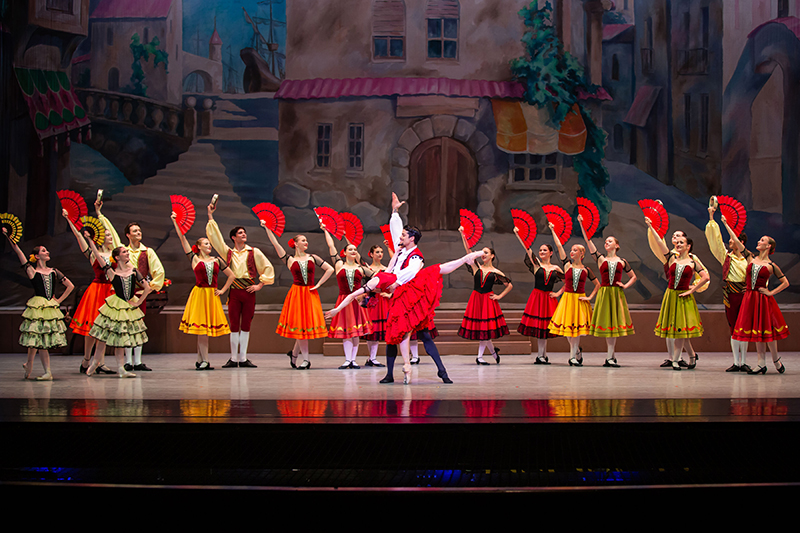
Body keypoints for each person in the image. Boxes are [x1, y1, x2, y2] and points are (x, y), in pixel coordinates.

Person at [326, 193, 482, 384]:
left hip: (412, 293)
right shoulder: (399, 253)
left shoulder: (415, 256)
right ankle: (392, 373)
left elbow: (412, 271)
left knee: (422, 328)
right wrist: (394, 211)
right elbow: (396, 234)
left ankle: (440, 371)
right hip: (399, 294)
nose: (399, 237)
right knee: (395, 335)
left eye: (403, 236)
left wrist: (396, 282)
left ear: (412, 239)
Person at [97, 199, 164, 371]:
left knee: (138, 325)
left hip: (138, 294)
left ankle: (138, 361)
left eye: (139, 230)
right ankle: (127, 361)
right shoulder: (123, 250)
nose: (138, 232)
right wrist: (100, 215)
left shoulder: (147, 252)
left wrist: (149, 288)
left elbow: (159, 271)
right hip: (123, 295)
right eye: (135, 231)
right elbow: (112, 233)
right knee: (124, 325)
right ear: (128, 235)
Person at [206, 204, 275, 368]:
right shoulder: (228, 252)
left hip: (248, 291)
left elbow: (267, 267)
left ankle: (243, 358)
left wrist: (260, 285)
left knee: (246, 325)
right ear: (233, 237)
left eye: (244, 232)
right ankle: (233, 358)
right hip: (234, 292)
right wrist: (210, 215)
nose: (244, 235)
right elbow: (216, 239)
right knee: (234, 324)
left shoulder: (254, 252)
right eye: (240, 233)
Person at [262, 221, 334, 369]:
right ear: (295, 244)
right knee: (301, 326)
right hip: (297, 294)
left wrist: (319, 284)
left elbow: (330, 269)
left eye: (306, 240)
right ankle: (306, 360)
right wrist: (267, 228)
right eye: (303, 240)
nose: (306, 242)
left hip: (310, 293)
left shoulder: (312, 257)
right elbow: (276, 244)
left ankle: (294, 354)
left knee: (304, 327)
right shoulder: (290, 259)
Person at [4, 228, 73, 380]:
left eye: (46, 250)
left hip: (49, 307)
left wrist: (58, 301)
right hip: (37, 307)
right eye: (43, 250)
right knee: (36, 338)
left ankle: (38, 368)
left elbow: (70, 286)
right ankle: (38, 368)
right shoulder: (32, 271)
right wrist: (8, 236)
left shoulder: (54, 271)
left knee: (41, 340)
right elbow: (18, 252)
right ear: (36, 256)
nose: (47, 252)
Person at [171, 212, 235, 370]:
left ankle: (201, 360)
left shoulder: (216, 260)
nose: (209, 246)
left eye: (209, 244)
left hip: (211, 295)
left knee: (205, 330)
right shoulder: (195, 259)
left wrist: (222, 290)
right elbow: (182, 239)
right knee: (202, 330)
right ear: (199, 246)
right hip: (199, 294)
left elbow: (232, 275)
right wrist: (175, 221)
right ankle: (204, 360)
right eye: (206, 244)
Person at [85, 238, 152, 378]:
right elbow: (97, 255)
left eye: (127, 251)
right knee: (103, 337)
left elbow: (147, 288)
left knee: (121, 339)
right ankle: (95, 362)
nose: (127, 253)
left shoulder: (133, 271)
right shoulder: (111, 272)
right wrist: (90, 240)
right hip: (115, 306)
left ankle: (121, 368)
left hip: (128, 307)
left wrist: (138, 302)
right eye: (124, 252)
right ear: (117, 257)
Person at [648, 218, 709, 370]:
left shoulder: (693, 262)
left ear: (688, 246)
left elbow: (706, 277)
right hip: (671, 296)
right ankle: (691, 356)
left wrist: (692, 289)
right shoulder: (671, 258)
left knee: (681, 330)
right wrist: (651, 226)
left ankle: (675, 360)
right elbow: (659, 242)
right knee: (677, 330)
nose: (678, 244)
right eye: (677, 242)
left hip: (684, 297)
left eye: (682, 242)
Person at [577, 214, 637, 367]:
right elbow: (588, 242)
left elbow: (633, 277)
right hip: (604, 294)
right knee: (608, 324)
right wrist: (582, 225)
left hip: (616, 294)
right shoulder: (601, 259)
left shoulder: (622, 261)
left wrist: (625, 285)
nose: (606, 243)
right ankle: (610, 356)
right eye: (605, 241)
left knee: (614, 324)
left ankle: (610, 356)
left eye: (610, 241)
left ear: (617, 245)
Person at [62, 209, 117, 375]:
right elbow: (79, 237)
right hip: (97, 291)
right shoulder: (94, 253)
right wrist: (69, 220)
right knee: (92, 327)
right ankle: (87, 359)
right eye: (107, 235)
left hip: (110, 291)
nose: (110, 237)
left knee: (105, 327)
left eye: (110, 235)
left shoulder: (114, 254)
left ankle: (100, 362)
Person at [729, 229, 790, 374]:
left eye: (762, 240)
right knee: (757, 331)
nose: (759, 241)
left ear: (768, 246)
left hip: (762, 299)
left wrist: (771, 292)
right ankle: (761, 363)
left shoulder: (771, 266)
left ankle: (775, 359)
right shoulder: (750, 258)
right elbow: (736, 241)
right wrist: (726, 224)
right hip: (750, 298)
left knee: (767, 330)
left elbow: (785, 282)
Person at [705, 205, 752, 372]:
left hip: (745, 295)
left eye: (732, 239)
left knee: (744, 327)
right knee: (733, 327)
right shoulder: (726, 257)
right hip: (731, 295)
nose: (730, 241)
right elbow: (716, 241)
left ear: (741, 242)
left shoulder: (749, 259)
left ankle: (744, 361)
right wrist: (712, 217)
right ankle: (736, 362)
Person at [457, 227, 512, 365]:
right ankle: (493, 352)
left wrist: (499, 296)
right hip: (476, 299)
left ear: (492, 256)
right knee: (483, 330)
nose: (483, 254)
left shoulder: (496, 272)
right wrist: (463, 235)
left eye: (486, 252)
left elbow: (509, 285)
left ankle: (480, 357)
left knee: (484, 330)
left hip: (488, 301)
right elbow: (469, 252)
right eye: (482, 252)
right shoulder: (477, 267)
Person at [547, 222, 600, 366]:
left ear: (581, 253)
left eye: (575, 250)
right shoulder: (567, 266)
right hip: (567, 299)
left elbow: (598, 285)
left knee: (576, 330)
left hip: (579, 299)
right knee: (566, 330)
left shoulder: (586, 270)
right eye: (571, 250)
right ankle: (576, 350)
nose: (572, 252)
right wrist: (553, 230)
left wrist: (589, 297)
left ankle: (572, 357)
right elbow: (559, 246)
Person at [322, 221, 373, 369]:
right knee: (346, 331)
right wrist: (326, 231)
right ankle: (347, 359)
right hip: (343, 300)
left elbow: (376, 278)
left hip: (357, 301)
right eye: (350, 249)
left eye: (355, 250)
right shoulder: (339, 264)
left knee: (355, 332)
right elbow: (331, 247)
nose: (353, 251)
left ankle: (353, 360)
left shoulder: (361, 268)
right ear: (344, 253)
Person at [513, 227, 563, 365]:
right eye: (540, 250)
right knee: (540, 327)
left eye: (544, 250)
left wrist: (558, 293)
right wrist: (518, 234)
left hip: (549, 299)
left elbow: (568, 282)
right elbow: (527, 249)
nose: (541, 252)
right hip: (537, 298)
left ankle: (543, 355)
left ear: (551, 253)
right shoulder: (537, 265)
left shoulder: (556, 268)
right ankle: (541, 355)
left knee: (546, 327)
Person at [360, 244, 391, 367]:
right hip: (371, 300)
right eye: (377, 252)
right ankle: (371, 357)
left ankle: (372, 357)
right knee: (371, 329)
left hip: (382, 299)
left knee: (378, 329)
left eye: (381, 252)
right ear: (371, 254)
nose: (380, 254)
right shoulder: (367, 269)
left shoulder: (386, 269)